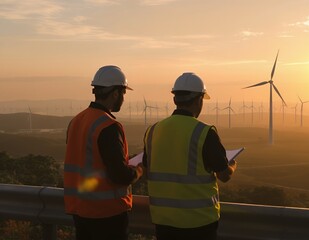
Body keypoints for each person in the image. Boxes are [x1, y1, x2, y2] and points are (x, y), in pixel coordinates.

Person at [143, 72, 237, 240]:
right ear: (199, 100)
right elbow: (224, 175)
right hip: (198, 223)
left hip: (163, 222)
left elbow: (146, 168)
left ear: (175, 99)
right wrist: (232, 166)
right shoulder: (204, 132)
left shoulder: (153, 130)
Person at [64, 65, 143, 240]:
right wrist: (138, 168)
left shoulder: (77, 120)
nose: (123, 98)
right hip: (106, 215)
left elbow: (89, 160)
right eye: (123, 93)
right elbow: (120, 175)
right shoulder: (108, 126)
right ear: (115, 93)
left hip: (81, 212)